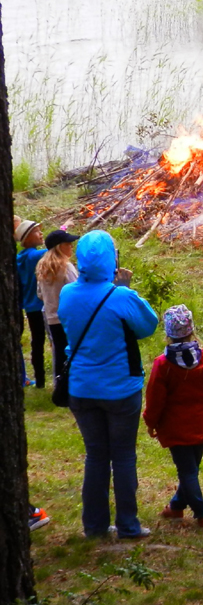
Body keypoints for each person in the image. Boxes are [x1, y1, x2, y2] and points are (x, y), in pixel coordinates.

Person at [59, 230, 159, 539]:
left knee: (96, 456)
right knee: (124, 456)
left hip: (81, 388)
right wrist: (125, 289)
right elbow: (147, 326)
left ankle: (95, 526)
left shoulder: (67, 293)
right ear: (112, 260)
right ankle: (128, 524)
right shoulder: (121, 296)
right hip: (121, 389)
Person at [143, 304, 203, 526]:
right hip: (200, 422)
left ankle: (201, 512)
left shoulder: (163, 364)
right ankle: (177, 506)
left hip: (174, 427)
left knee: (187, 471)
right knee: (191, 469)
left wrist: (150, 421)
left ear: (168, 333)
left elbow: (154, 398)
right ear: (191, 330)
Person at [36, 228, 80, 385]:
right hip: (68, 317)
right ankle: (72, 385)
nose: (71, 247)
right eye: (68, 244)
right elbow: (76, 290)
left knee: (59, 352)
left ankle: (59, 384)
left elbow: (40, 293)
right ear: (59, 247)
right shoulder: (66, 267)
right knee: (72, 351)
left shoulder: (42, 267)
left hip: (51, 317)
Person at [15, 218, 47, 388]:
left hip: (28, 305)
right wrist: (64, 228)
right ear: (26, 239)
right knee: (46, 340)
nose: (41, 233)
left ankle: (40, 379)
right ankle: (43, 380)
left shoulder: (19, 257)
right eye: (36, 231)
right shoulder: (34, 255)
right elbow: (54, 248)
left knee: (37, 342)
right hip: (41, 304)